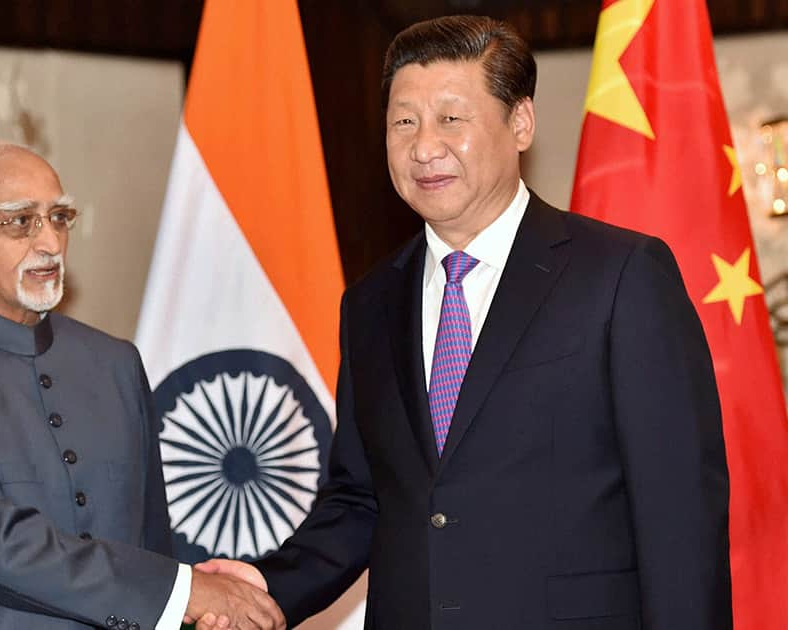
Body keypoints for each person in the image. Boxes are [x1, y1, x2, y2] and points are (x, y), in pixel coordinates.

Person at [197, 15, 732, 629]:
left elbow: (678, 511)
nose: (425, 146)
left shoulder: (620, 275)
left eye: (452, 118)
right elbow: (363, 497)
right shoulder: (371, 302)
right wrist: (266, 583)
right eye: (404, 122)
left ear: (521, 122)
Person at [0, 140, 284, 630]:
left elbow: (149, 538)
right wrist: (183, 590)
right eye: (20, 221)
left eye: (59, 217)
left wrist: (197, 597)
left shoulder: (115, 361)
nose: (51, 243)